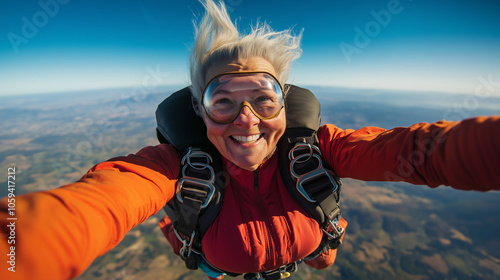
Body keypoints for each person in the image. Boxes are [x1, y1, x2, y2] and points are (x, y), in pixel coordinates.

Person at [1, 1, 499, 279]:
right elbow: (94, 204)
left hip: (307, 253)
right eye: (223, 101)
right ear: (199, 111)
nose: (247, 120)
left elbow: (426, 153)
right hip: (225, 267)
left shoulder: (320, 148)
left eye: (263, 98)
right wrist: (14, 253)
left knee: (322, 256)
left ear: (283, 104)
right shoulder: (173, 165)